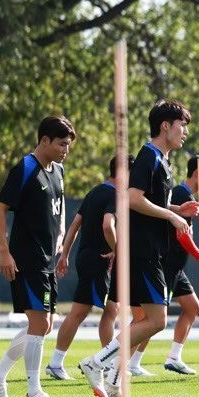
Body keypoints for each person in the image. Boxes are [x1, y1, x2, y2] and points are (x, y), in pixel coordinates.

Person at [78, 100, 197, 397]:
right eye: (181, 125)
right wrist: (172, 217)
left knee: (142, 318)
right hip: (142, 250)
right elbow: (132, 199)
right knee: (157, 320)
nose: (185, 131)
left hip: (149, 250)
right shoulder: (148, 156)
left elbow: (148, 201)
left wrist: (174, 208)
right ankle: (96, 362)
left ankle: (117, 386)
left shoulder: (162, 160)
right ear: (165, 126)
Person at [0, 116, 74, 397]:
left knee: (44, 325)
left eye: (68, 145)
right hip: (27, 258)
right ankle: (34, 392)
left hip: (47, 259)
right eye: (61, 144)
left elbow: (58, 209)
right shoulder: (25, 168)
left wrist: (60, 233)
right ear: (44, 140)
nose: (65, 150)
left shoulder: (58, 171)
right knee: (39, 322)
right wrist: (3, 251)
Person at [46, 155, 130, 380]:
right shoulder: (116, 194)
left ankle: (107, 362)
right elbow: (107, 226)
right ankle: (55, 363)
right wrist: (120, 249)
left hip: (88, 257)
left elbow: (75, 225)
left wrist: (65, 255)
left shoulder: (95, 191)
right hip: (97, 260)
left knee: (111, 310)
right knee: (79, 313)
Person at [159, 155, 199, 375]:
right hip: (166, 264)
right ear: (197, 173)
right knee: (153, 319)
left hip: (177, 267)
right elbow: (181, 235)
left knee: (193, 307)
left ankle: (174, 357)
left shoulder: (189, 196)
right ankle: (128, 362)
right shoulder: (180, 193)